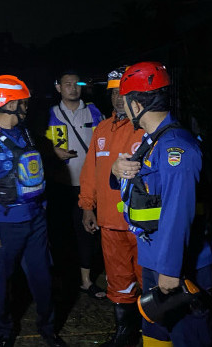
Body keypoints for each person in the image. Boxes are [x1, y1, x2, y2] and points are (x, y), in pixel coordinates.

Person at [112, 62, 212, 347]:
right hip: (155, 256)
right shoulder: (153, 141)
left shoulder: (176, 147)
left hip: (178, 266)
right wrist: (116, 170)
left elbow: (177, 213)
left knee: (190, 337)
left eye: (125, 102)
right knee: (156, 332)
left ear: (135, 104)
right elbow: (138, 186)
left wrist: (170, 270)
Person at [0, 75, 67, 347]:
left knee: (42, 279)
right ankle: (5, 334)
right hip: (2, 226)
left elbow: (34, 173)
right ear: (8, 104)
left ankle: (48, 329)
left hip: (35, 221)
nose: (27, 107)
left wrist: (42, 207)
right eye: (23, 103)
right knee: (1, 283)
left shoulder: (26, 133)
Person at [79, 67, 144, 347]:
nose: (119, 98)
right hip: (109, 222)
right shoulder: (102, 130)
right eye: (115, 92)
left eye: (125, 91)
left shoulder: (148, 128)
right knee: (118, 281)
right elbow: (90, 172)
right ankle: (124, 335)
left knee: (148, 280)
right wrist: (87, 206)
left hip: (142, 224)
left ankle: (152, 334)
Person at [46, 70, 105, 298]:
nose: (73, 88)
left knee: (87, 232)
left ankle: (86, 281)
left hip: (88, 185)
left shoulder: (93, 111)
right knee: (60, 233)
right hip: (60, 185)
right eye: (67, 84)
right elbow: (34, 145)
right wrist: (52, 152)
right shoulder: (49, 114)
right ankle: (60, 278)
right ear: (58, 87)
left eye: (76, 84)